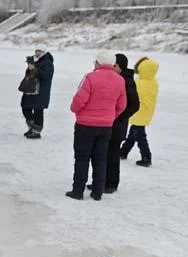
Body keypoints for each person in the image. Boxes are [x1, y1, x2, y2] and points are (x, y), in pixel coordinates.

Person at [66, 51, 126, 201]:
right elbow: (122, 104)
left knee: (82, 158)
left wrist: (75, 110)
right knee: (100, 159)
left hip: (85, 125)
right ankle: (98, 191)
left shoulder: (90, 77)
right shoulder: (120, 80)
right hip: (105, 126)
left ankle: (78, 190)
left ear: (99, 62)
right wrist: (110, 116)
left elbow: (80, 99)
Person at [88, 53, 139, 194]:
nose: (111, 67)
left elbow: (134, 105)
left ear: (120, 66)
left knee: (112, 156)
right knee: (102, 154)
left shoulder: (127, 81)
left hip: (117, 126)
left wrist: (118, 117)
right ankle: (100, 181)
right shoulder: (118, 78)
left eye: (114, 65)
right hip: (109, 124)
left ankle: (111, 184)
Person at [119, 57, 159, 167]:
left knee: (140, 135)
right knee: (134, 132)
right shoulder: (154, 83)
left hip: (138, 111)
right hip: (147, 111)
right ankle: (123, 151)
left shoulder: (138, 83)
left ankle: (146, 157)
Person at [21, 45, 54, 139]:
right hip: (30, 90)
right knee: (25, 108)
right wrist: (30, 67)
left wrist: (34, 69)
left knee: (38, 111)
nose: (37, 53)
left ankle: (36, 131)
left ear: (44, 52)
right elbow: (29, 74)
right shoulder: (35, 61)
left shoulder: (48, 63)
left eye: (39, 51)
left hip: (41, 91)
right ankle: (32, 127)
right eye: (36, 51)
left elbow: (46, 76)